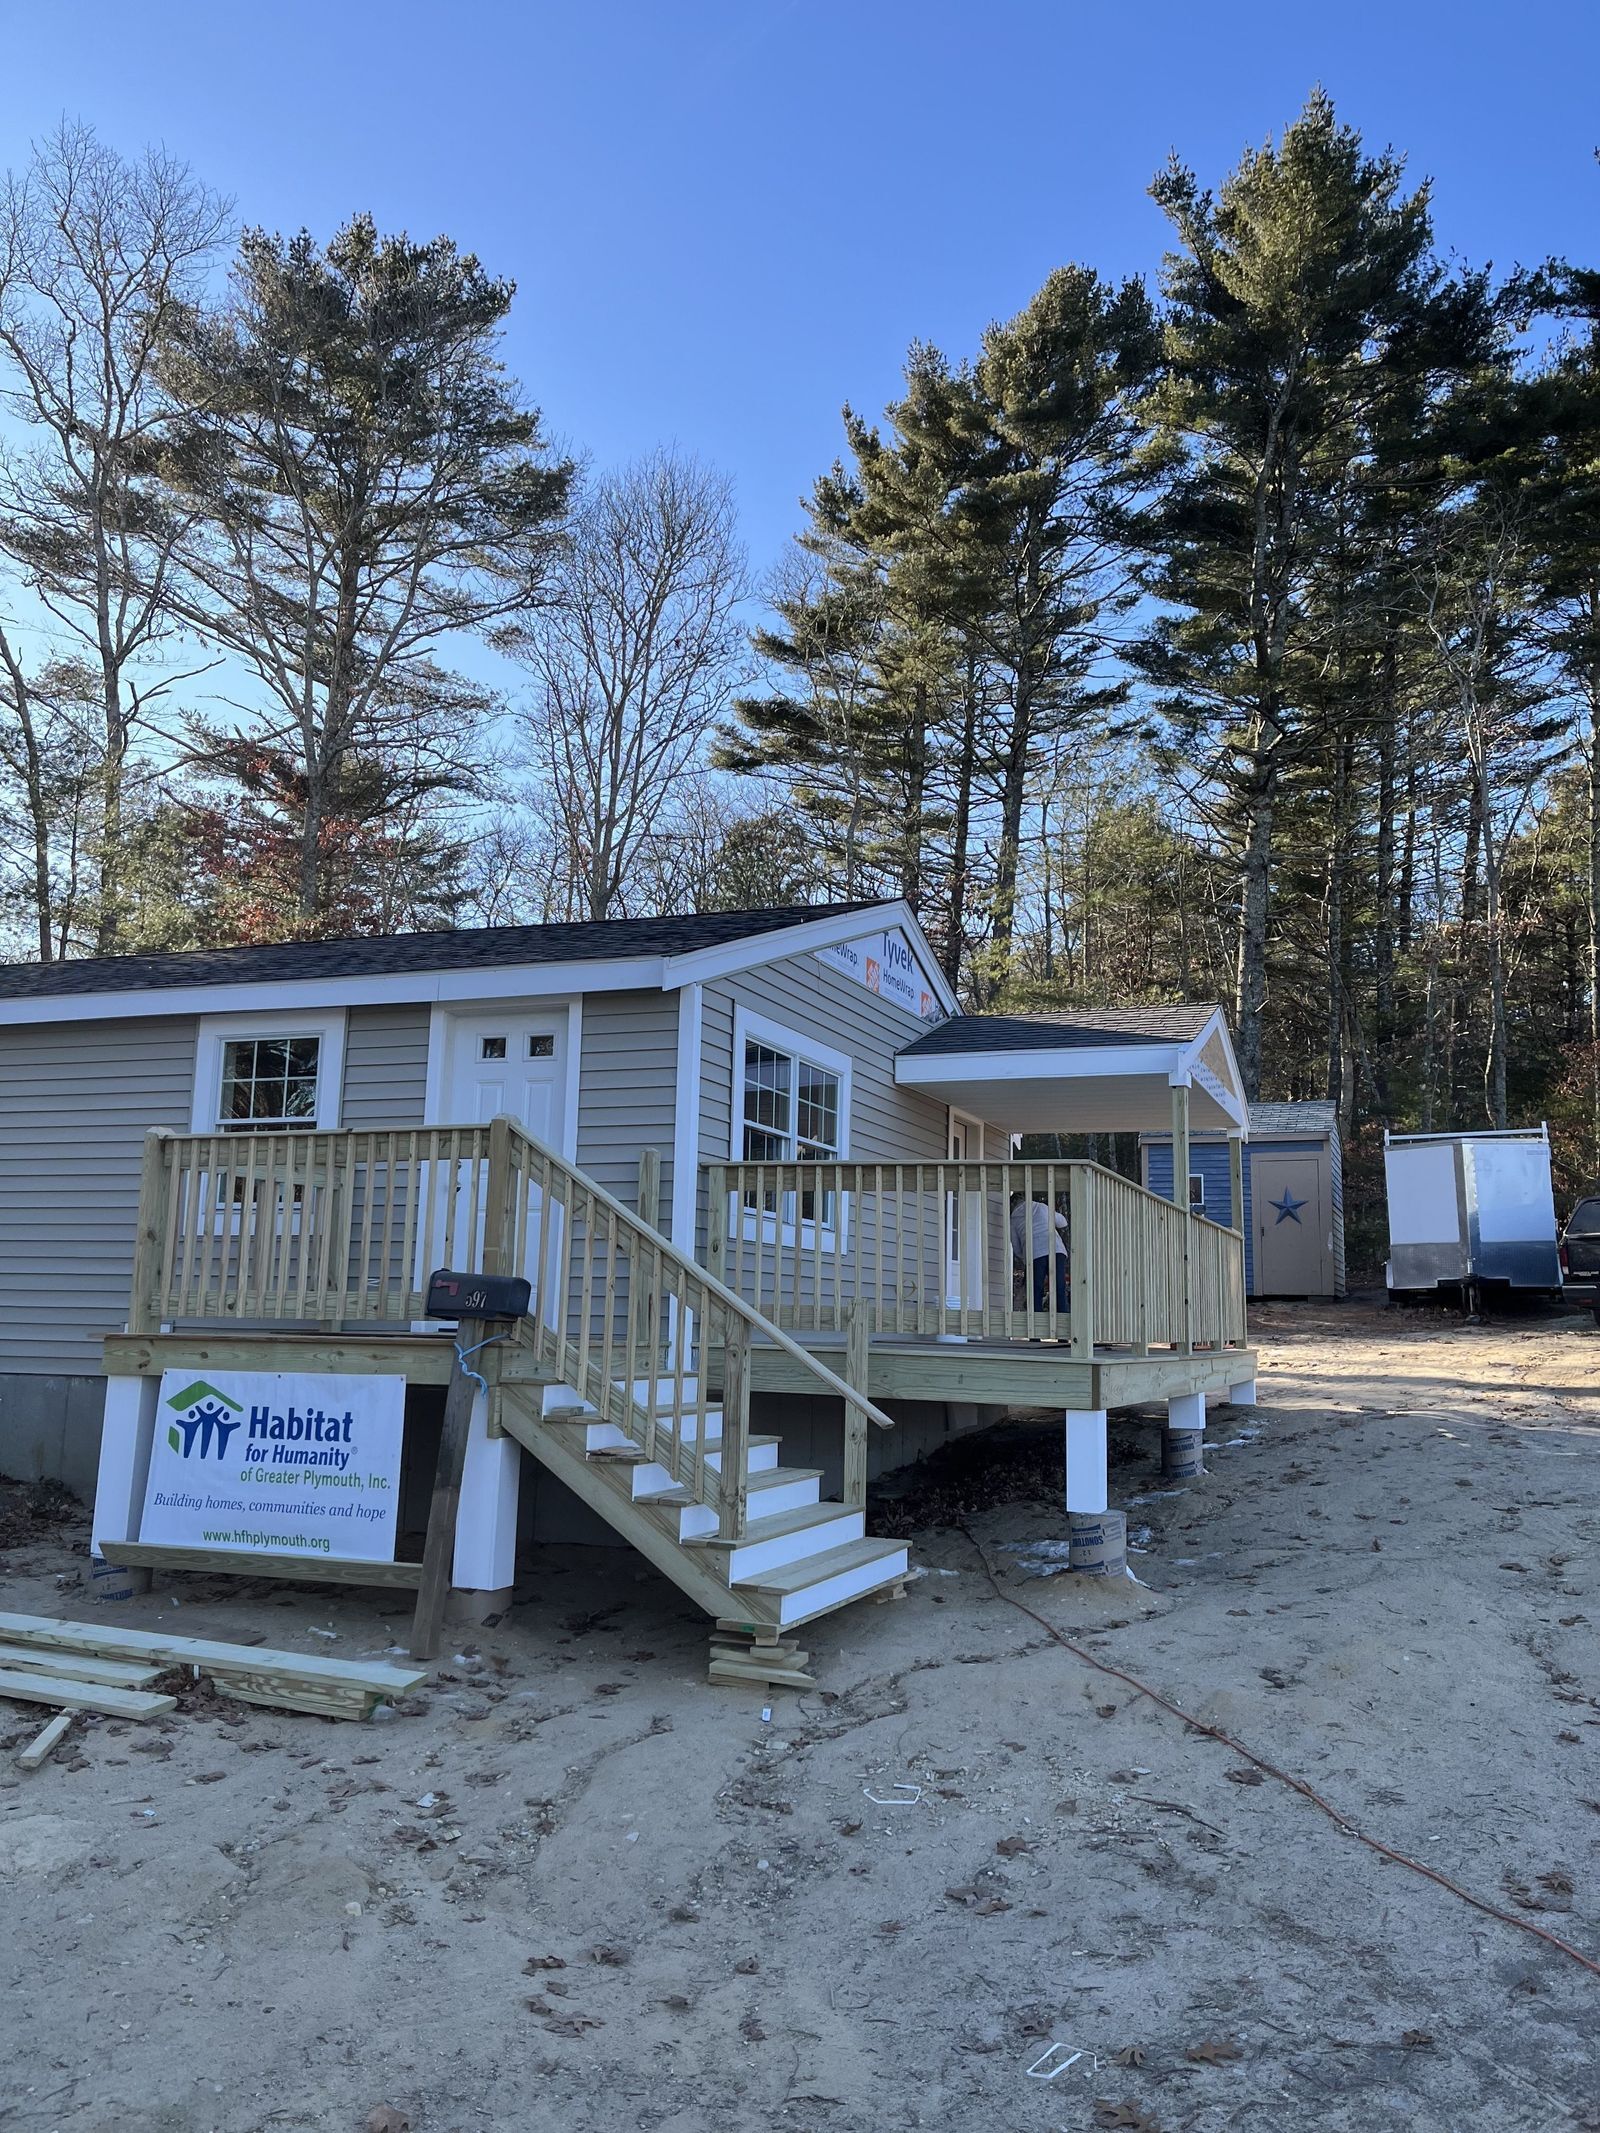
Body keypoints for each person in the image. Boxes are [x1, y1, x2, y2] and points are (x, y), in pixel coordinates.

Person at [1009, 1191, 1069, 1319]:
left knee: (1035, 1290)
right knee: (1059, 1288)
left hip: (1034, 1254)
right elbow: (1063, 1222)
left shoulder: (1013, 1219)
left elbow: (1016, 1246)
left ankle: (1035, 1331)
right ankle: (1063, 1332)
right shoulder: (1041, 1207)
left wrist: (1026, 1257)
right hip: (1056, 1249)